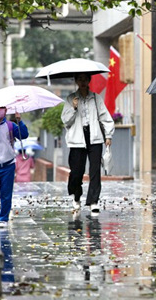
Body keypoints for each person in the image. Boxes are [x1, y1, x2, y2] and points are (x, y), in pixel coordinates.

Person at [61, 72, 114, 214]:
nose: (83, 82)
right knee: (77, 172)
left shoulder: (96, 98)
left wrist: (108, 135)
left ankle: (93, 201)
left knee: (95, 170)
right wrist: (73, 108)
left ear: (89, 80)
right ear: (76, 81)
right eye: (80, 79)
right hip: (77, 139)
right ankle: (76, 196)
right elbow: (66, 120)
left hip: (95, 137)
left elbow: (105, 117)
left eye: (85, 79)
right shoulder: (70, 98)